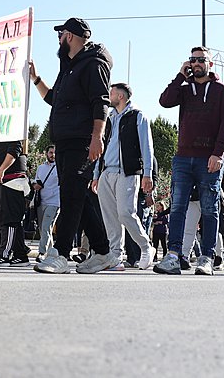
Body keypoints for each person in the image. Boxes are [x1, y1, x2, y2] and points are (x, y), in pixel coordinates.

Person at [29, 17, 115, 275]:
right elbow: (54, 99)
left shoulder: (93, 63)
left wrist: (96, 137)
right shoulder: (69, 66)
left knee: (71, 195)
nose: (58, 38)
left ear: (71, 36)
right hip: (66, 140)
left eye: (61, 34)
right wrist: (36, 79)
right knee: (79, 195)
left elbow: (101, 101)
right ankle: (102, 252)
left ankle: (61, 254)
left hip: (83, 139)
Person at [153, 46, 224, 276]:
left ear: (210, 64)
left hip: (208, 159)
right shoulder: (185, 89)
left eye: (201, 60)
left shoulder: (221, 90)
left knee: (210, 209)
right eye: (193, 60)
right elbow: (164, 101)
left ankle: (207, 257)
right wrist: (180, 75)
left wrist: (218, 154)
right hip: (182, 158)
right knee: (177, 208)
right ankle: (173, 256)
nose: (196, 63)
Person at [93, 83, 156, 270]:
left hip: (127, 172)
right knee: (110, 217)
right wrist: (97, 173)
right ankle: (115, 257)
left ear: (120, 96)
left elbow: (147, 146)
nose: (108, 95)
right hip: (107, 172)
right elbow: (101, 145)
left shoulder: (138, 116)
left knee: (125, 213)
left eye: (111, 92)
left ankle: (146, 247)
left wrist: (148, 173)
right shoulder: (109, 118)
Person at [0, 140, 31, 266]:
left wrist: (1, 170)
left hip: (13, 182)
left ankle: (3, 254)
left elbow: (14, 151)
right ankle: (20, 255)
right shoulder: (7, 135)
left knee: (8, 220)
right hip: (9, 182)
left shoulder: (14, 134)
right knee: (14, 221)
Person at [33, 145, 60, 261]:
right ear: (46, 153)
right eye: (50, 152)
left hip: (55, 202)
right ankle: (51, 253)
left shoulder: (60, 167)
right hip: (41, 201)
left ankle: (42, 253)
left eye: (54, 153)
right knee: (43, 229)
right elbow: (35, 181)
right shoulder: (40, 168)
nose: (52, 155)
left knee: (46, 227)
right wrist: (35, 185)